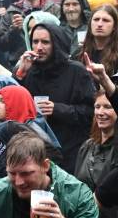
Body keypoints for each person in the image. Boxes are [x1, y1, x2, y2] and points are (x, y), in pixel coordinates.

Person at [13, 17, 94, 172]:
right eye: (35, 42)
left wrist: (57, 109)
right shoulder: (29, 71)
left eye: (45, 42)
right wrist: (20, 74)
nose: (39, 47)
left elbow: (90, 112)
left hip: (71, 150)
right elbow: (11, 103)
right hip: (36, 151)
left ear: (56, 43)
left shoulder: (76, 71)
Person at [0, 0, 62, 65]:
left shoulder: (53, 9)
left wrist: (37, 27)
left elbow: (62, 38)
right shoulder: (11, 12)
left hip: (50, 63)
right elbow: (0, 44)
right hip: (20, 64)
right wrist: (13, 30)